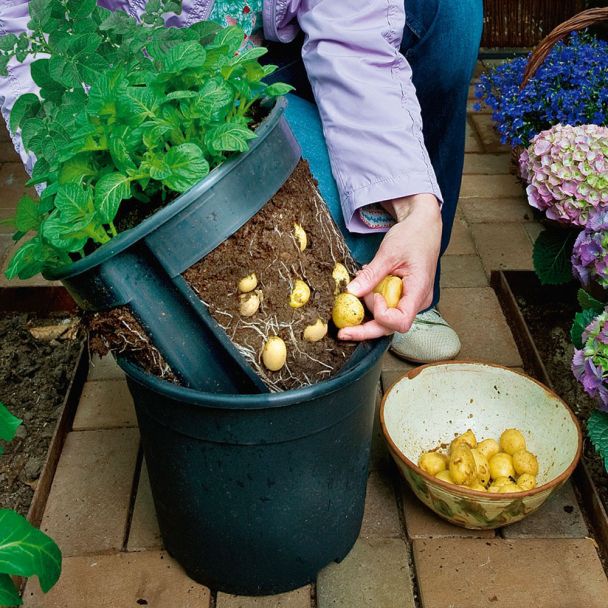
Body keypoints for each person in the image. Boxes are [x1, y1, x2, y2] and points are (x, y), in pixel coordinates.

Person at [0, 0, 483, 363]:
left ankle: (413, 285)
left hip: (277, 45)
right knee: (301, 243)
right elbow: (25, 40)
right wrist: (88, 181)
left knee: (450, 12)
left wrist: (415, 204)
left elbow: (353, 37)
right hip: (156, 83)